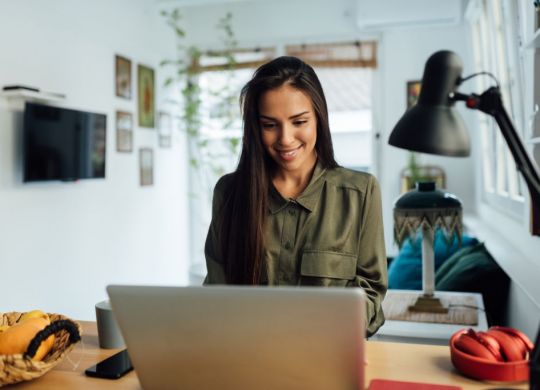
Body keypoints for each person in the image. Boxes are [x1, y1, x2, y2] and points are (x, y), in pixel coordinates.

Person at [204, 56, 387, 336]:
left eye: (299, 121)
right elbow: (216, 294)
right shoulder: (229, 192)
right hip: (246, 356)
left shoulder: (361, 192)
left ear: (319, 119)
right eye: (269, 125)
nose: (285, 139)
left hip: (329, 355)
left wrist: (327, 329)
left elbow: (371, 292)